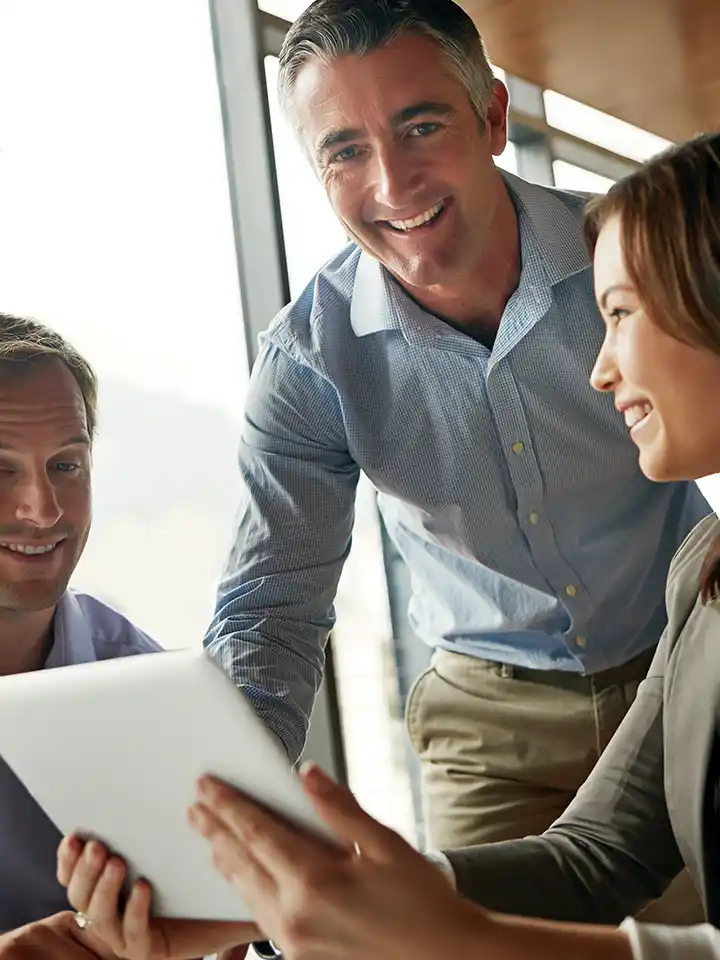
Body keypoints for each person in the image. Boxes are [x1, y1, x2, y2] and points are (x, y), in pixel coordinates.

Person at [203, 0, 706, 919]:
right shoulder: (309, 362)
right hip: (486, 722)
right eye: (345, 150)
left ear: (494, 118)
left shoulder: (628, 259)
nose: (392, 180)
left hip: (682, 662)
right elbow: (270, 614)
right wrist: (221, 835)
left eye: (421, 125)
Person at [0, 314, 255, 959]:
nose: (43, 508)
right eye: (0, 471)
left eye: (66, 465)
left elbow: (235, 917)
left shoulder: (146, 687)